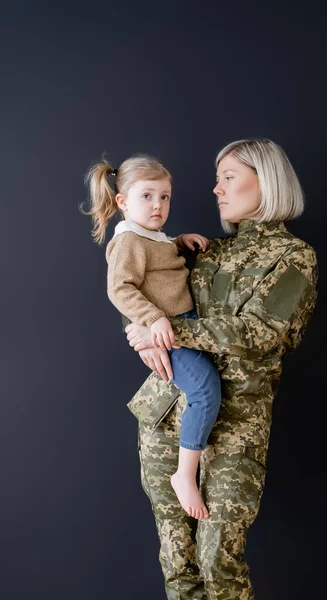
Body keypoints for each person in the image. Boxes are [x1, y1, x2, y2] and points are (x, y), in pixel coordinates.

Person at [125, 138, 319, 599]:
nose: (216, 189)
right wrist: (139, 327)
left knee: (217, 560)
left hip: (236, 426)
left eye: (228, 177)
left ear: (265, 181)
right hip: (166, 412)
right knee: (178, 560)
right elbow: (140, 284)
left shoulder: (294, 257)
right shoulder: (207, 251)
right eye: (218, 179)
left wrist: (164, 329)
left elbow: (257, 333)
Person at [83, 155, 223, 520]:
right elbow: (120, 288)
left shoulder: (150, 235)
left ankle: (187, 468)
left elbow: (157, 260)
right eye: (147, 196)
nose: (158, 205)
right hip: (170, 330)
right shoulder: (129, 239)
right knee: (205, 390)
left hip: (183, 323)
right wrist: (153, 318)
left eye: (165, 197)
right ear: (123, 202)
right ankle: (184, 473)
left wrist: (178, 242)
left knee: (206, 384)